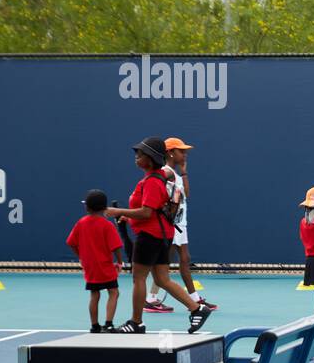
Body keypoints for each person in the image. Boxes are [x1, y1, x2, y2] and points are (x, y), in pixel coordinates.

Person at [105, 137, 212, 334]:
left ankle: (136, 322)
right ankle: (197, 308)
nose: (136, 157)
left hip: (150, 237)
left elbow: (146, 212)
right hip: (161, 235)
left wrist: (118, 212)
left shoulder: (153, 181)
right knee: (163, 279)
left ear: (151, 158)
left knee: (139, 278)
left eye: (141, 154)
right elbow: (152, 212)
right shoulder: (156, 179)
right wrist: (129, 218)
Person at [144, 138, 216, 315]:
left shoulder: (175, 174)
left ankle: (152, 298)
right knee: (181, 259)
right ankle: (193, 299)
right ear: (170, 152)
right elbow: (159, 191)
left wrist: (184, 172)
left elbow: (186, 194)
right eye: (180, 151)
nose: (185, 154)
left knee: (168, 262)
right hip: (171, 224)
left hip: (179, 223)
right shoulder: (165, 172)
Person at [67, 189, 125, 332]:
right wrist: (119, 262)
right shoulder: (107, 225)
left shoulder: (81, 223)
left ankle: (94, 326)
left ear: (87, 207)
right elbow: (116, 247)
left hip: (90, 267)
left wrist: (81, 256)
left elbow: (71, 242)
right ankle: (109, 324)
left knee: (95, 294)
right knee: (113, 292)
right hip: (105, 267)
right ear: (105, 208)